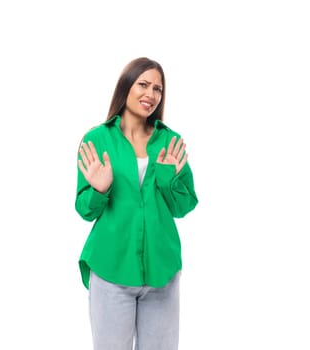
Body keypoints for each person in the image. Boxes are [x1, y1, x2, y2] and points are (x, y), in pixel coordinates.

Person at [75, 57, 198, 350]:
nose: (151, 94)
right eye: (143, 84)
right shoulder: (97, 140)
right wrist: (100, 189)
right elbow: (85, 209)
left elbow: (183, 206)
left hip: (162, 272)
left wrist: (169, 179)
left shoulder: (171, 142)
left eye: (157, 88)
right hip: (111, 268)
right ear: (126, 87)